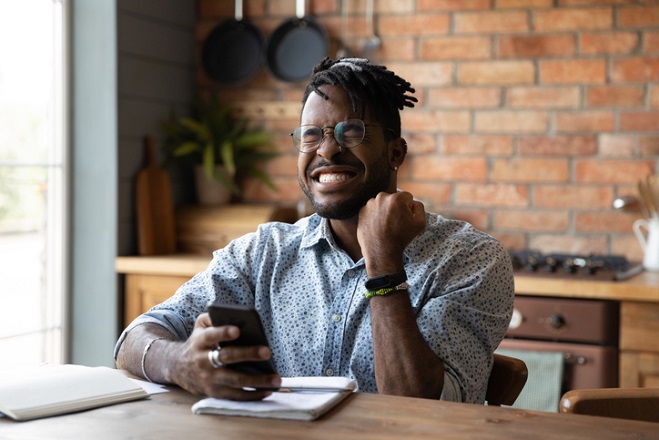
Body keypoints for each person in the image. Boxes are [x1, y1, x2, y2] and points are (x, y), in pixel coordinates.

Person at [115, 57, 514, 404]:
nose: (326, 151)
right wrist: (179, 363)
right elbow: (135, 338)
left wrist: (383, 261)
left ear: (395, 153)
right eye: (311, 135)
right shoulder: (264, 252)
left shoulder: (471, 259)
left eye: (351, 132)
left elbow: (420, 410)